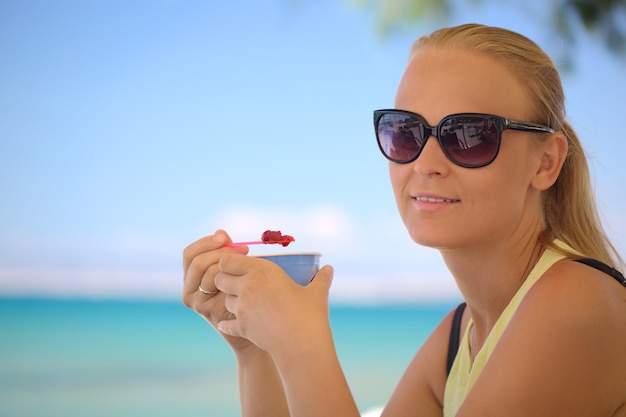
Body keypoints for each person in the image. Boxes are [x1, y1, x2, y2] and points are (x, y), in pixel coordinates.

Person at [182, 23, 626, 416]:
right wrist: (255, 350)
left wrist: (302, 347)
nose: (425, 163)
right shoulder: (457, 339)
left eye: (469, 135)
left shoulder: (576, 305)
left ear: (546, 162)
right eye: (406, 132)